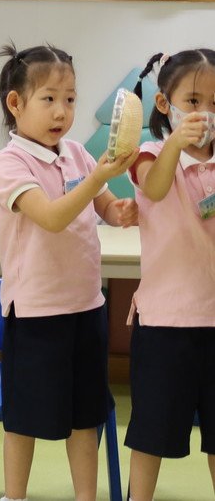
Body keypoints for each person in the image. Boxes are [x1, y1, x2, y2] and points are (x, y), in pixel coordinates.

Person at [0, 44, 138, 501]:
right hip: (36, 312)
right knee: (24, 420)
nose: (62, 111)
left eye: (70, 99)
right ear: (16, 103)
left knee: (85, 417)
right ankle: (14, 496)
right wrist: (97, 181)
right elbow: (52, 218)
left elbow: (104, 207)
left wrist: (120, 210)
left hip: (86, 307)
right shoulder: (9, 163)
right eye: (49, 98)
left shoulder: (75, 153)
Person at [125, 49, 215, 501]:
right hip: (165, 323)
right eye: (194, 101)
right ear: (165, 104)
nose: (206, 113)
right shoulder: (150, 154)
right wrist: (176, 143)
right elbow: (156, 188)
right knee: (152, 433)